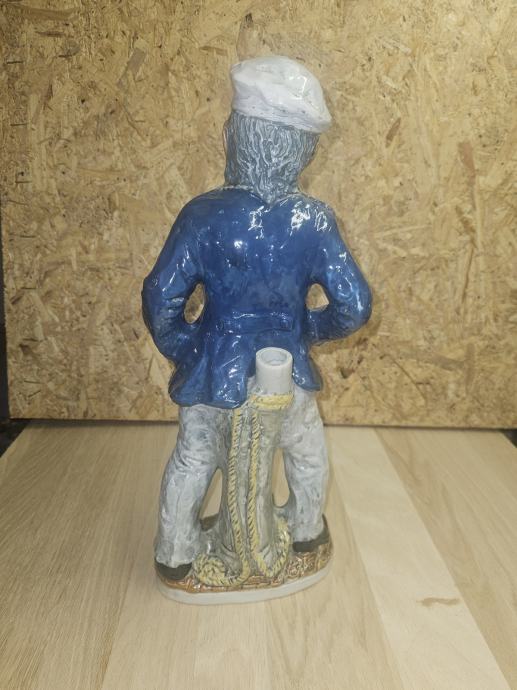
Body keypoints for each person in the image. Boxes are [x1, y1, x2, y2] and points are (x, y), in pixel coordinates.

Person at [142, 56, 372, 580]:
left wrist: (189, 348)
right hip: (286, 372)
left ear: (237, 138)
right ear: (302, 150)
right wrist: (306, 331)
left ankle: (175, 553)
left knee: (195, 456)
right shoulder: (314, 220)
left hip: (213, 371)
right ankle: (306, 528)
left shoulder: (202, 214)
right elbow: (354, 305)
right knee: (304, 448)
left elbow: (160, 296)